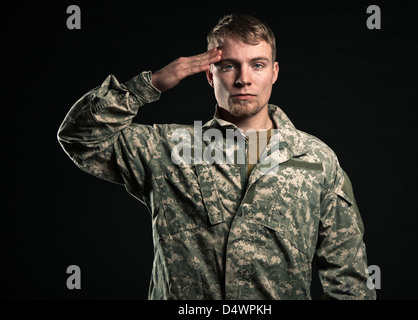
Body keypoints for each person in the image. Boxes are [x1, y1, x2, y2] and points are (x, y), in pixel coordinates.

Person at [58, 13, 376, 300]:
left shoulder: (316, 159)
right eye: (228, 65)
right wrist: (149, 84)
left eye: (257, 64)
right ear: (210, 75)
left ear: (274, 72)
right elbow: (80, 136)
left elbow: (347, 275)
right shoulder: (167, 148)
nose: (243, 79)